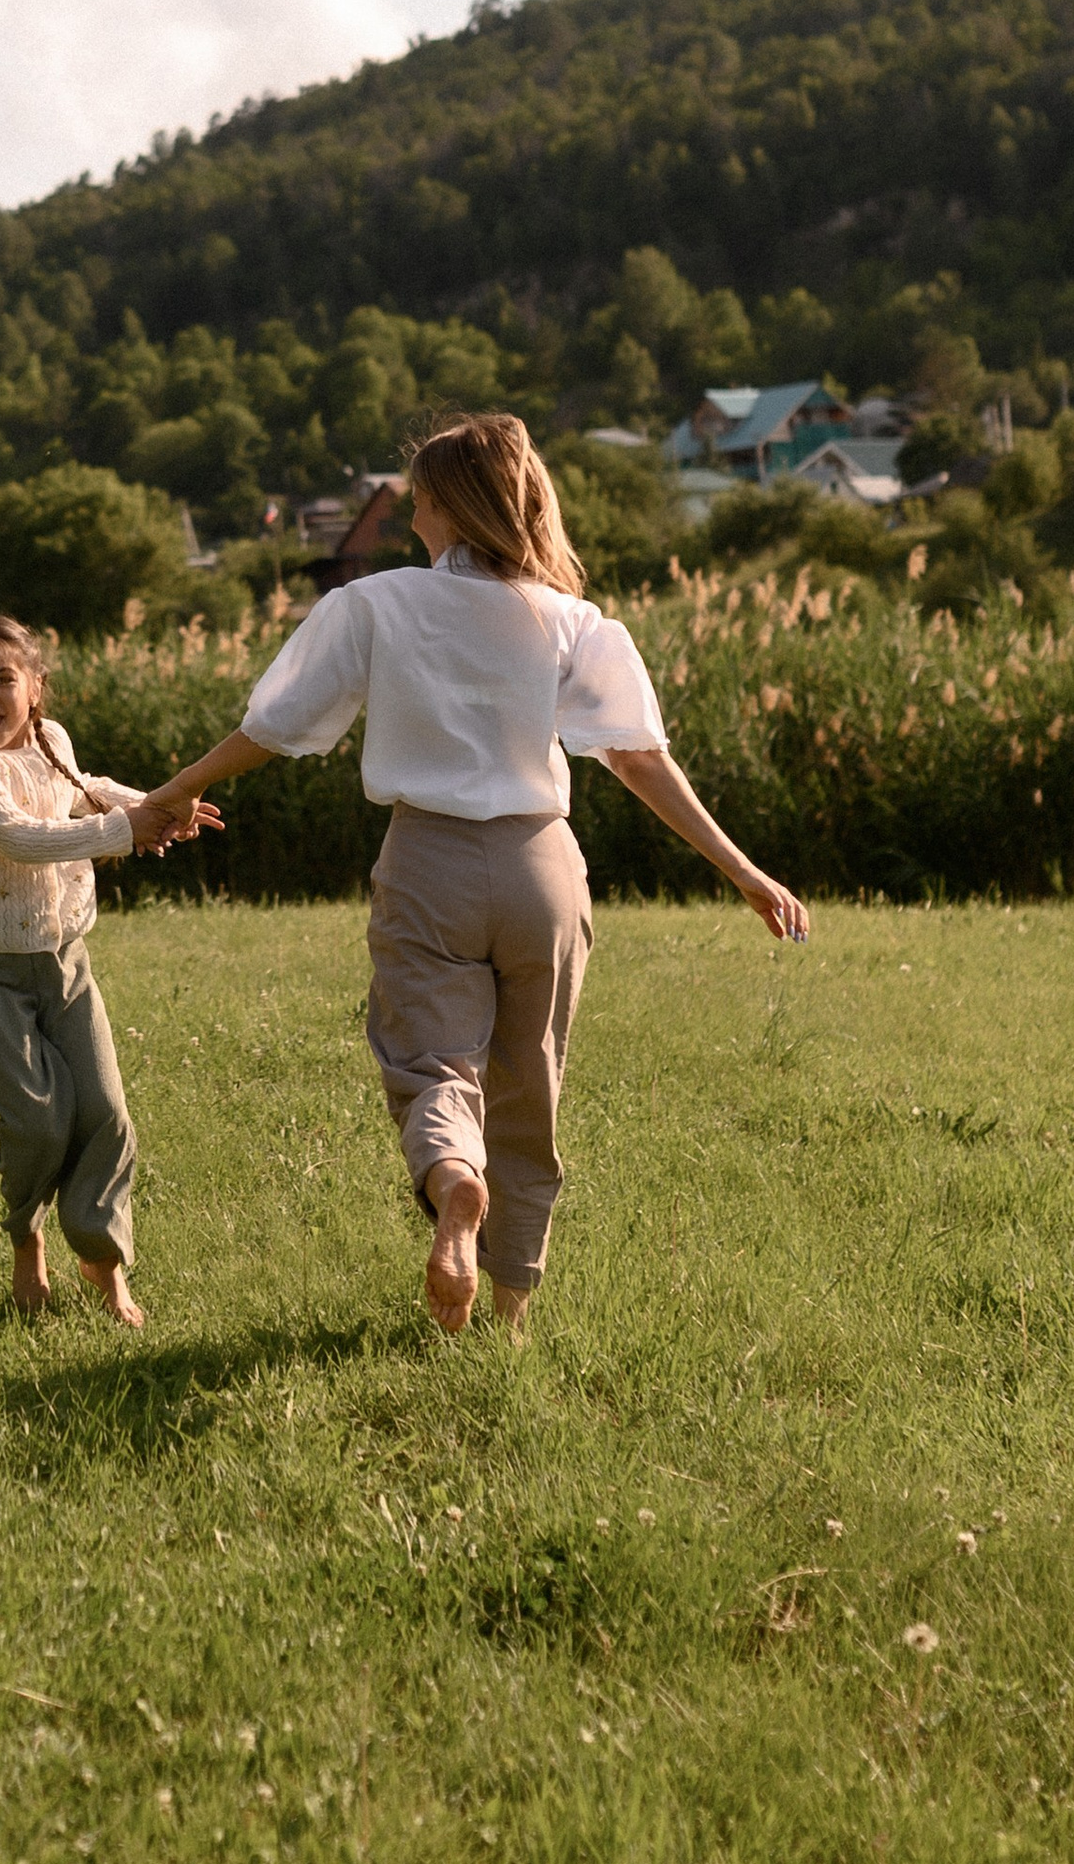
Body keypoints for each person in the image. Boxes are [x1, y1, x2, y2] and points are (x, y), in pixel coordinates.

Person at [130, 412, 808, 1338]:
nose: (410, 514)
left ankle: (455, 1182)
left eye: (418, 497)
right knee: (532, 1084)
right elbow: (640, 759)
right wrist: (745, 871)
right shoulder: (572, 621)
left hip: (430, 860)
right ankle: (510, 1315)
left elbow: (277, 730)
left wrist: (173, 790)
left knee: (430, 1063)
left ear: (449, 503)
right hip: (544, 869)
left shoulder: (374, 605)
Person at [0, 607, 213, 1329]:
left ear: (36, 686)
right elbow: (18, 838)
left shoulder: (50, 739)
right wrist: (127, 829)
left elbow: (81, 788)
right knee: (38, 1119)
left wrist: (155, 806)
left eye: (3, 679)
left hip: (65, 960)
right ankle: (27, 1232)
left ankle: (101, 1259)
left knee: (107, 1115)